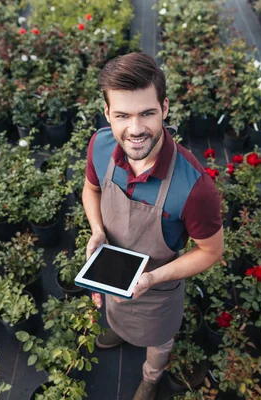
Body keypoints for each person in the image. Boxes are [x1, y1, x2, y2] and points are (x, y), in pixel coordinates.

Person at [82, 52, 224, 400]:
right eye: (122, 115)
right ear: (107, 115)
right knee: (114, 310)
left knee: (159, 339)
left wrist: (152, 278)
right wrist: (97, 230)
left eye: (147, 113)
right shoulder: (100, 146)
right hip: (112, 268)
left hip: (156, 289)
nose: (135, 129)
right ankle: (119, 332)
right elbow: (91, 189)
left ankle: (151, 377)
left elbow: (211, 251)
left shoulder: (194, 186)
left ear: (165, 108)